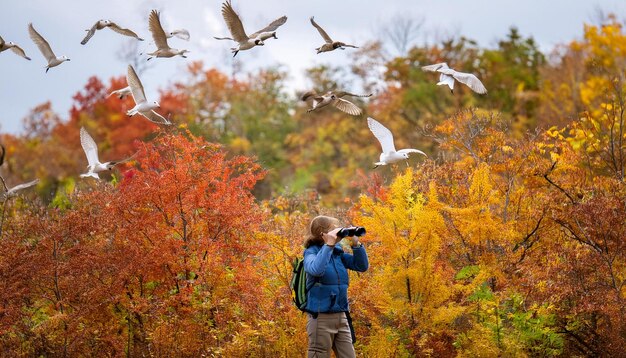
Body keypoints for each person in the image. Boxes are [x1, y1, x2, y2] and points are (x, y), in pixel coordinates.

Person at [303, 215, 369, 358]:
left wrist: (356, 244)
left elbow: (361, 266)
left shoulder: (337, 254)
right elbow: (316, 269)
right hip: (320, 317)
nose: (338, 232)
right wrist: (329, 246)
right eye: (334, 230)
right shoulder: (311, 252)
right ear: (323, 234)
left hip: (341, 315)